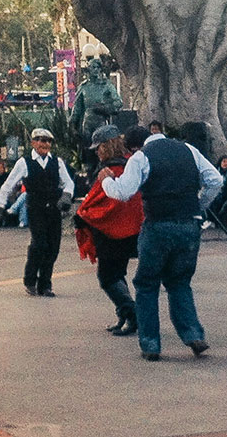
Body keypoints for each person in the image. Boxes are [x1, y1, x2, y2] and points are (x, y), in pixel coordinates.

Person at [101, 124, 224, 361]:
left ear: (134, 146)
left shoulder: (141, 157)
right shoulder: (189, 149)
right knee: (180, 282)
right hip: (189, 224)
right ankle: (193, 334)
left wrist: (107, 181)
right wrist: (199, 206)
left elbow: (124, 192)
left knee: (147, 284)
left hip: (158, 224)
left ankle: (151, 344)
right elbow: (215, 180)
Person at [74, 124, 144, 336]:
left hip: (111, 234)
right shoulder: (129, 166)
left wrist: (83, 215)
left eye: (99, 147)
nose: (97, 151)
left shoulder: (110, 170)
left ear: (107, 145)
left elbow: (105, 201)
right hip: (127, 231)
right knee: (116, 274)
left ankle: (131, 314)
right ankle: (124, 315)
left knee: (107, 277)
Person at [0, 128, 75, 297]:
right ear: (33, 143)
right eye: (41, 140)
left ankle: (45, 284)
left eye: (48, 141)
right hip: (35, 208)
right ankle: (30, 280)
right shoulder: (24, 162)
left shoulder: (57, 162)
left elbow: (68, 183)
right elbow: (8, 185)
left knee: (53, 247)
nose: (45, 144)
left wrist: (66, 196)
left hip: (53, 208)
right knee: (39, 244)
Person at [71, 54, 123, 168]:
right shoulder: (84, 87)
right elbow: (77, 108)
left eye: (98, 67)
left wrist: (105, 108)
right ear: (88, 69)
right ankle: (90, 175)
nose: (95, 70)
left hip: (101, 122)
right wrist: (73, 125)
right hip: (87, 124)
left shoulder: (106, 86)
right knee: (89, 155)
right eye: (93, 67)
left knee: (103, 151)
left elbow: (118, 103)